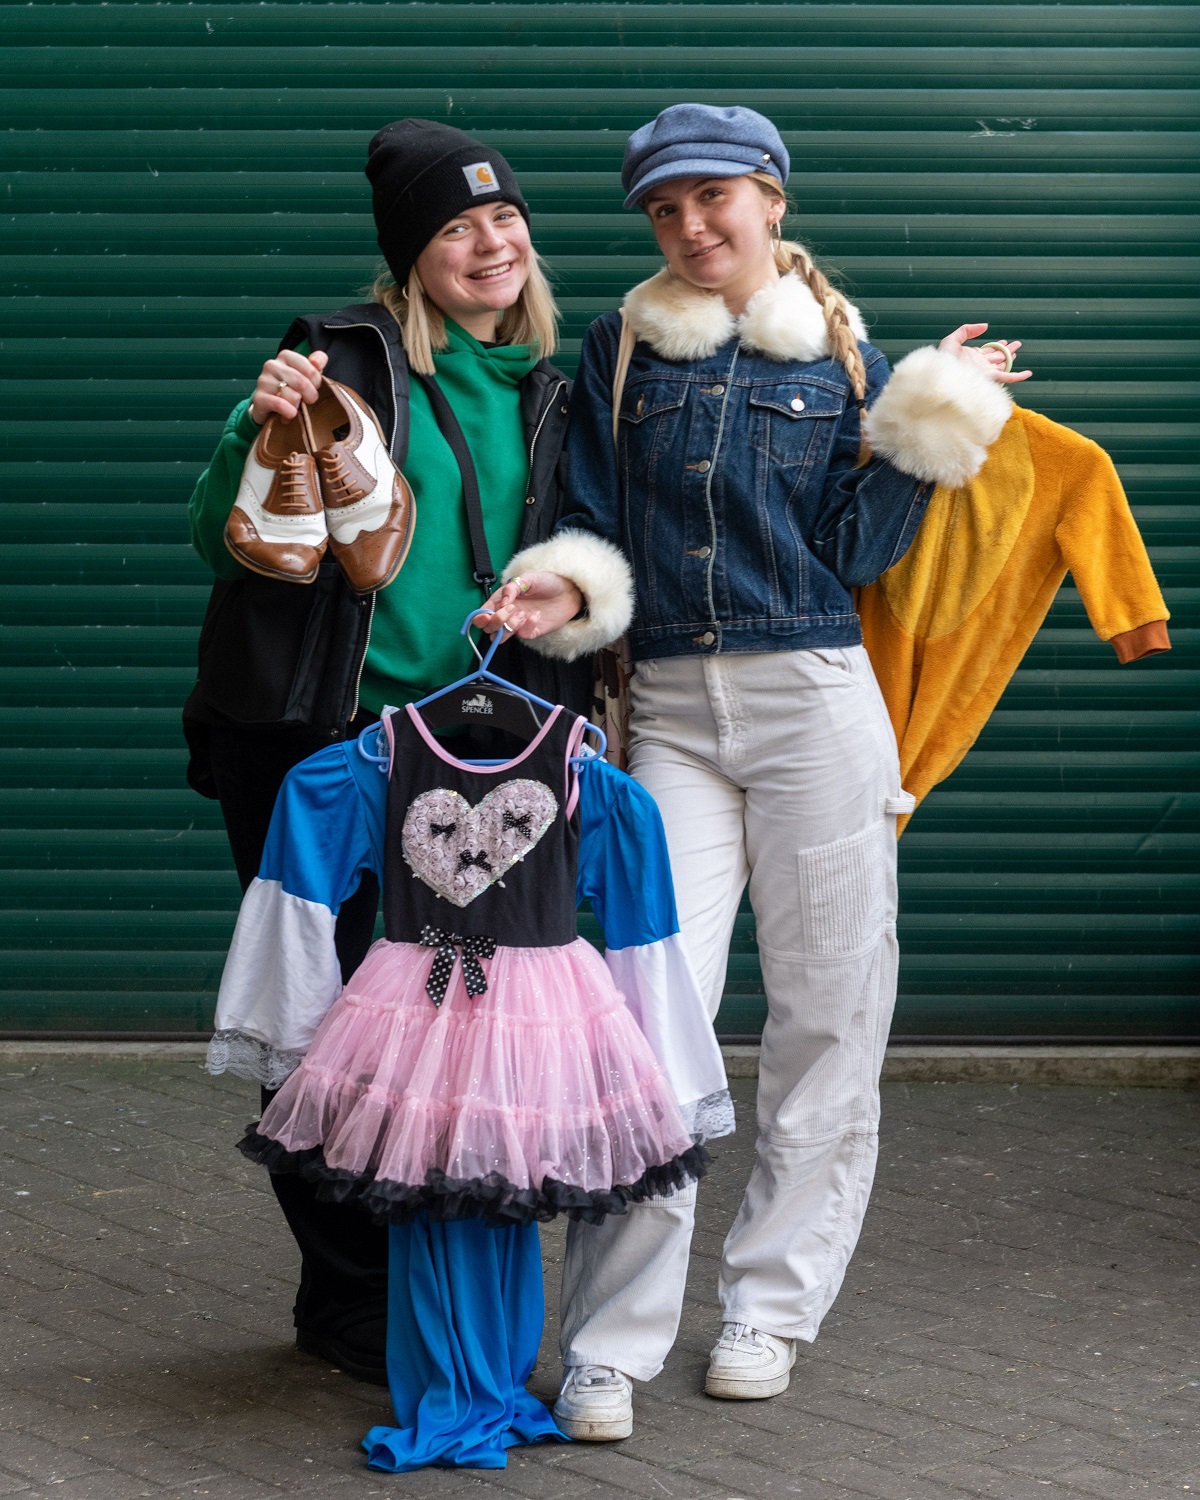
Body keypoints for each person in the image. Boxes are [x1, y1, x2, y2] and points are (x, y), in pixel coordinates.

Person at [479, 102, 1029, 1437]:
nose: (691, 225)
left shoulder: (845, 353)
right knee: (646, 1016)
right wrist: (559, 588)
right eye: (665, 209)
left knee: (829, 1019)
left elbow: (851, 551)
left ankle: (769, 1309)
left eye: (714, 197)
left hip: (817, 703)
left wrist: (925, 424)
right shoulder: (616, 350)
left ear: (771, 198)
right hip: (667, 708)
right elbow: (589, 520)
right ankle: (609, 1339)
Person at [185, 119, 620, 1384]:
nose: (490, 242)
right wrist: (250, 428)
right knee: (320, 1028)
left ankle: (426, 1283)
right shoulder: (336, 360)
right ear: (410, 256)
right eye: (453, 227)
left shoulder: (556, 385)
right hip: (319, 746)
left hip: (477, 763)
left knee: (449, 1029)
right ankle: (350, 1300)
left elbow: (592, 560)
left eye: (504, 219)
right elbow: (229, 533)